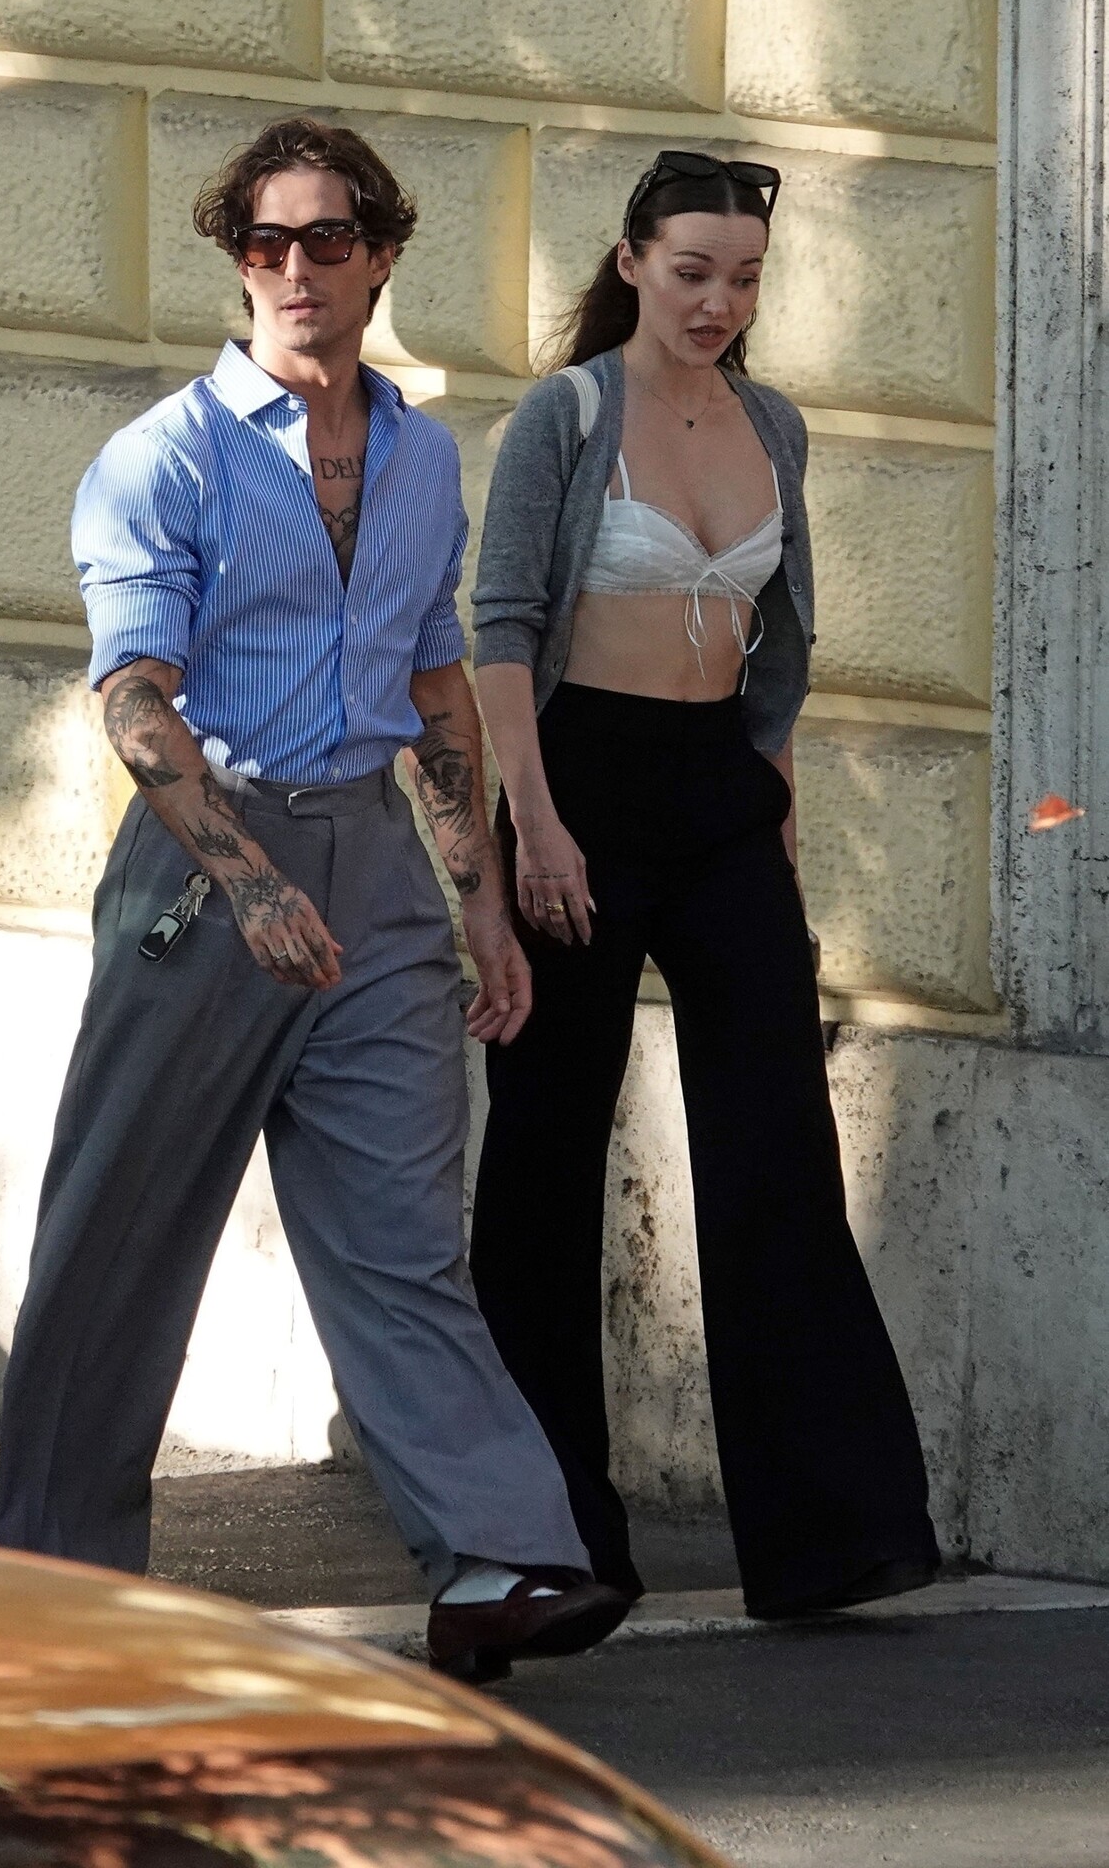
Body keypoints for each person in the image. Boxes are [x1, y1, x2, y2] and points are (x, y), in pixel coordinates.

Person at [0, 116, 628, 1682]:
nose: (292, 269)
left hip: (380, 876)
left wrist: (479, 902)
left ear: (380, 255)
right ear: (239, 261)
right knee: (121, 1244)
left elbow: (434, 686)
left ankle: (496, 1557)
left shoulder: (418, 456)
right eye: (264, 243)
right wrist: (250, 880)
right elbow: (134, 701)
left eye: (325, 240)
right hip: (206, 872)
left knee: (404, 1242)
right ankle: (55, 1593)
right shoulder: (166, 459)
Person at [467, 150, 940, 1620]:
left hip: (723, 799)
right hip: (579, 793)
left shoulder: (773, 423)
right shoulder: (566, 415)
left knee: (777, 1145)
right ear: (630, 264)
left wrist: (776, 791)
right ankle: (545, 1531)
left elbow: (778, 631)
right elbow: (502, 628)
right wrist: (533, 827)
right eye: (691, 271)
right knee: (546, 1157)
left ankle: (829, 1536)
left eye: (743, 278)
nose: (717, 301)